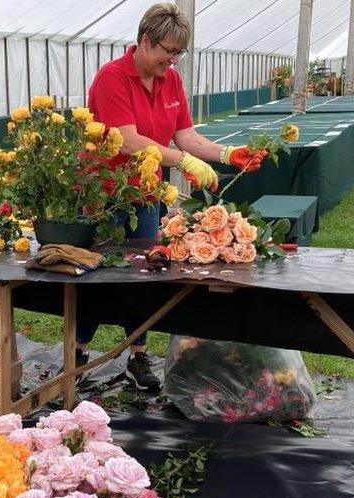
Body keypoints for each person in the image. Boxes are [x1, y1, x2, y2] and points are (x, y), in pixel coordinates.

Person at [79, 2, 268, 391]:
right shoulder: (112, 78)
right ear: (146, 42)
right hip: (105, 194)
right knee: (97, 275)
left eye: (179, 52)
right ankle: (77, 352)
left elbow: (185, 135)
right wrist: (185, 163)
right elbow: (129, 142)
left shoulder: (171, 82)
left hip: (146, 193)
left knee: (144, 273)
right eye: (169, 51)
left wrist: (225, 155)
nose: (174, 60)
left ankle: (137, 356)